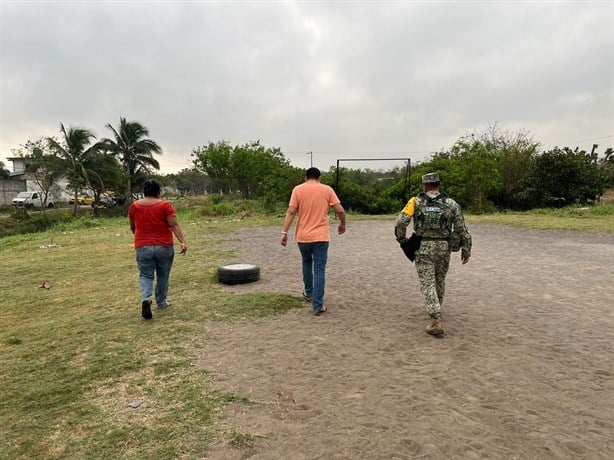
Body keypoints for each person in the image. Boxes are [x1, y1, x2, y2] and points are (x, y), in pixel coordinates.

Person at [395, 172, 471, 336]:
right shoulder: (451, 204)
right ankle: (437, 306)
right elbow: (461, 228)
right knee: (439, 279)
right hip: (444, 247)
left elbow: (401, 221)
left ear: (424, 186)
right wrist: (466, 249)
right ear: (439, 185)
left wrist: (402, 239)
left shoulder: (415, 202)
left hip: (423, 247)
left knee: (427, 282)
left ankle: (435, 318)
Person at [281, 167, 346, 315]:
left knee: (306, 261)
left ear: (306, 177)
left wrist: (284, 232)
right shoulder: (327, 190)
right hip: (321, 236)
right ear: (319, 177)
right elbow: (340, 210)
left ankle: (309, 293)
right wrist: (342, 223)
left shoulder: (297, 190)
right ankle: (318, 305)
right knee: (319, 269)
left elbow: (291, 211)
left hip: (303, 236)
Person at [128, 179, 187, 320]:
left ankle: (146, 299)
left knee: (146, 275)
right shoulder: (165, 205)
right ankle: (161, 302)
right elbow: (173, 225)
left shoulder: (135, 206)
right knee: (163, 274)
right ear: (158, 192)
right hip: (164, 246)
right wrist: (182, 241)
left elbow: (133, 226)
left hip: (143, 246)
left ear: (144, 192)